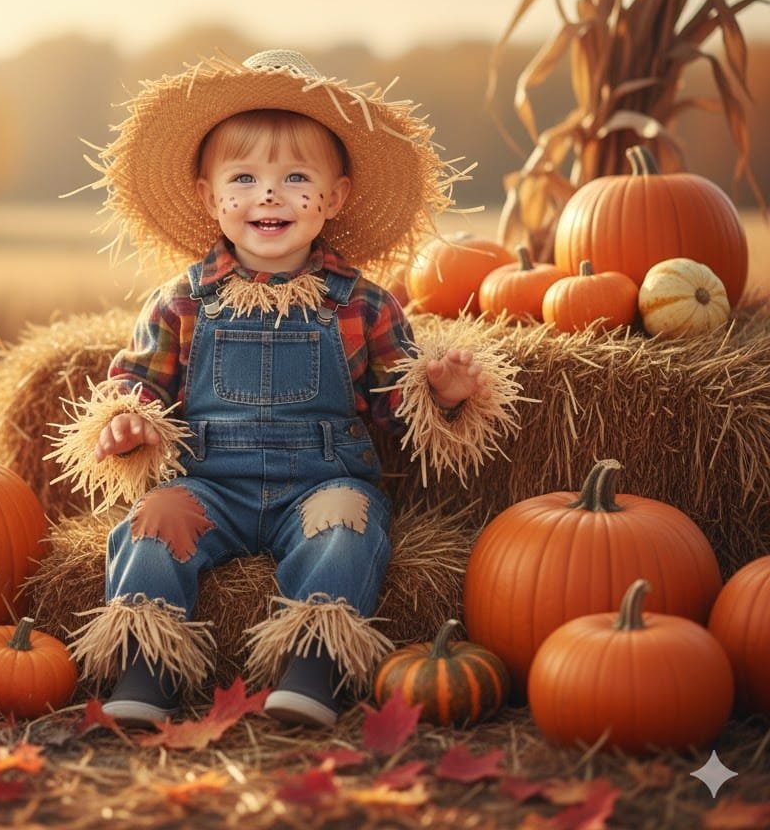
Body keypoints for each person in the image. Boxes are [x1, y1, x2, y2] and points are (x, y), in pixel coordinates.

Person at [50, 49, 520, 729]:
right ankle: (146, 666)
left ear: (335, 197)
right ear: (209, 197)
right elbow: (138, 384)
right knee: (152, 526)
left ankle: (313, 665)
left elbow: (396, 407)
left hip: (320, 481)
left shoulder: (362, 304)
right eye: (243, 178)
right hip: (210, 484)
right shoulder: (181, 302)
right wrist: (130, 422)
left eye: (295, 177)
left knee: (348, 529)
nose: (268, 195)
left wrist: (439, 392)